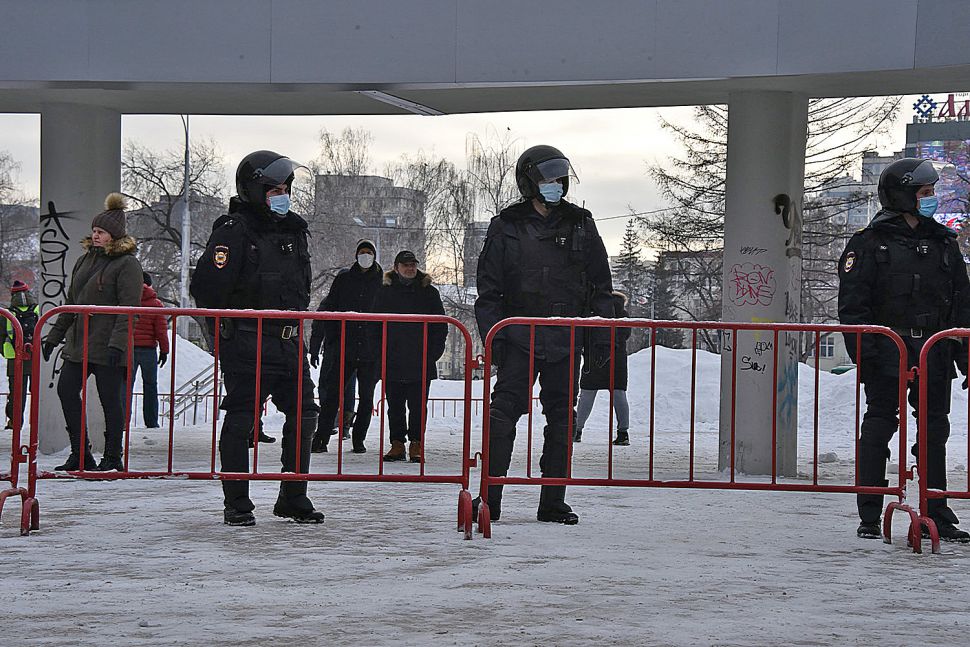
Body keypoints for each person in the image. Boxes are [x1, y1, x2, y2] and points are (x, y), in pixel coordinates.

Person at [473, 145, 614, 524]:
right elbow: (488, 291)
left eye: (560, 178)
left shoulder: (580, 223)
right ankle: (490, 498)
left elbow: (600, 286)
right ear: (530, 182)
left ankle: (553, 501)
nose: (556, 185)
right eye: (548, 178)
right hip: (519, 335)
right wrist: (495, 338)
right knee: (503, 415)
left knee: (563, 419)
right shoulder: (507, 225)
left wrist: (601, 338)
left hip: (566, 336)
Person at [838, 157, 970, 543]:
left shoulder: (944, 243)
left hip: (934, 349)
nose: (931, 199)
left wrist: (965, 356)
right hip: (887, 348)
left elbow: (962, 305)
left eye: (932, 192)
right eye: (924, 193)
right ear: (902, 196)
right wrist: (866, 355)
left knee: (934, 429)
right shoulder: (868, 243)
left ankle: (937, 511)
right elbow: (853, 307)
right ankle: (870, 512)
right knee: (879, 423)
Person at [190, 150, 323, 526]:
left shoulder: (294, 230)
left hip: (288, 342)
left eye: (285, 189)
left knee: (305, 414)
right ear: (253, 190)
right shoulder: (234, 231)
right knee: (242, 418)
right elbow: (207, 289)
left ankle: (293, 496)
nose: (282, 196)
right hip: (248, 342)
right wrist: (223, 336)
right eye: (274, 190)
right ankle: (237, 502)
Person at [42, 193, 144, 472]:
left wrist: (118, 344)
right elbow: (71, 303)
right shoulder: (84, 261)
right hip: (79, 343)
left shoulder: (127, 264)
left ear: (114, 235)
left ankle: (112, 456)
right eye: (94, 230)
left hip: (108, 343)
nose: (96, 235)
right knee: (66, 390)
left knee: (109, 400)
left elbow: (129, 309)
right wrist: (54, 337)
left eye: (101, 231)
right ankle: (80, 453)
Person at [369, 250, 447, 463]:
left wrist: (432, 354)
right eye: (405, 265)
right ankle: (397, 443)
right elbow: (373, 325)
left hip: (420, 359)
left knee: (418, 406)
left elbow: (440, 326)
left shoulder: (429, 292)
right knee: (394, 405)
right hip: (392, 359)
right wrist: (379, 352)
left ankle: (416, 443)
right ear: (396, 268)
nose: (410, 268)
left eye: (413, 264)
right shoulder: (384, 292)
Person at [309, 238, 382, 454]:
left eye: (369, 252)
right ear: (356, 255)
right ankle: (321, 438)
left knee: (367, 398)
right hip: (344, 348)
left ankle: (359, 439)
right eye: (362, 252)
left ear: (374, 256)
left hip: (370, 350)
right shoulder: (344, 279)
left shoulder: (382, 281)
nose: (365, 256)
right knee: (332, 395)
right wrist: (329, 340)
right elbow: (329, 308)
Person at [574, 291, 631, 445]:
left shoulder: (595, 310)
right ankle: (623, 433)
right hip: (618, 358)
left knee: (587, 394)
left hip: (594, 355)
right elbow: (625, 334)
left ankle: (577, 431)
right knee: (619, 394)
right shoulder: (623, 314)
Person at [125, 272, 169, 429]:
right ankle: (151, 421)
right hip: (148, 350)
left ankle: (123, 421)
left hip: (129, 349)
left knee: (126, 386)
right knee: (150, 386)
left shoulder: (128, 300)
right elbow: (161, 331)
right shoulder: (156, 304)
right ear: (149, 285)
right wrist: (164, 350)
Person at [2, 280, 39, 431]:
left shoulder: (7, 313)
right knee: (38, 391)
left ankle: (15, 424)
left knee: (17, 393)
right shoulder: (38, 309)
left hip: (14, 357)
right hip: (35, 356)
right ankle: (38, 426)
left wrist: (6, 351)